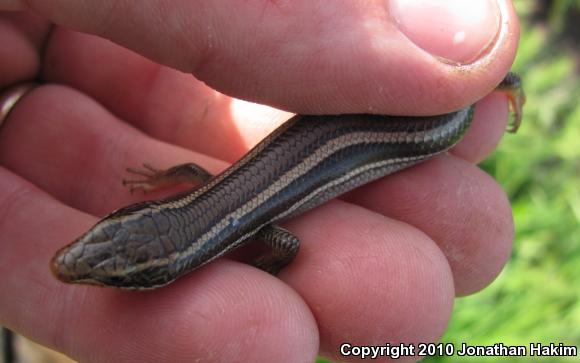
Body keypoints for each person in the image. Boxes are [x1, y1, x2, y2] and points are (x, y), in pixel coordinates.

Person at [0, 1, 520, 362]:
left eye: (113, 273)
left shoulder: (252, 228)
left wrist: (269, 265)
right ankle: (487, 83)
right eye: (107, 264)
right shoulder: (207, 192)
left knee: (448, 112)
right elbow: (204, 186)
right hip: (350, 135)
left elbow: (287, 245)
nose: (77, 261)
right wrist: (165, 178)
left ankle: (494, 81)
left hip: (415, 135)